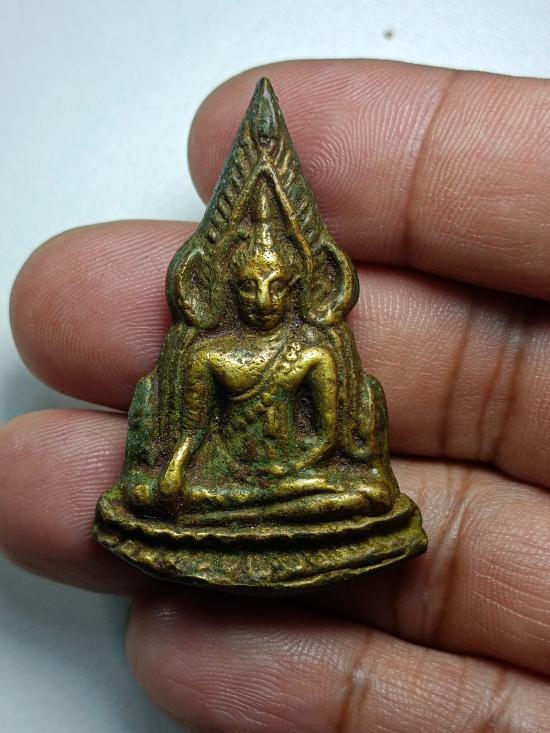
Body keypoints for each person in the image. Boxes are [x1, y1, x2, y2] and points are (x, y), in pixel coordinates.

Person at [2, 60, 550, 731]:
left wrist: (294, 469)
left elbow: (330, 440)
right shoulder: (209, 353)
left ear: (296, 287)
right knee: (154, 497)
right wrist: (175, 470)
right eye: (249, 286)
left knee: (366, 495)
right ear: (226, 287)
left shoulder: (315, 350)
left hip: (299, 479)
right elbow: (192, 435)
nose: (263, 298)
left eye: (276, 286)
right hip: (221, 485)